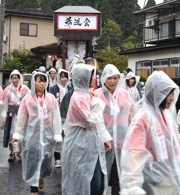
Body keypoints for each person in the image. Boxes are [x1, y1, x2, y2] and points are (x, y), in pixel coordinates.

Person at [120, 71, 180, 195]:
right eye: (168, 93)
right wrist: (132, 187)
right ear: (156, 93)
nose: (172, 98)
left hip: (167, 175)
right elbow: (133, 155)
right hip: (153, 180)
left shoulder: (165, 115)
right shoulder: (142, 119)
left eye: (173, 93)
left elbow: (172, 140)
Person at [61, 64, 112, 195]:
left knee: (97, 182)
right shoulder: (78, 97)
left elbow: (98, 122)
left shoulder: (88, 94)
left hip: (92, 145)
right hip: (80, 146)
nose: (95, 78)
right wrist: (97, 102)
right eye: (92, 75)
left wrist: (105, 137)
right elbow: (90, 121)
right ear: (84, 77)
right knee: (86, 182)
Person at [12, 72, 62, 195]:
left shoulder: (51, 99)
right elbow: (22, 118)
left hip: (47, 136)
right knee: (33, 160)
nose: (42, 84)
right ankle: (34, 187)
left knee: (46, 159)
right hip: (32, 136)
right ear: (34, 82)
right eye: (39, 81)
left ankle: (40, 177)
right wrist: (18, 135)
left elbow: (56, 117)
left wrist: (57, 133)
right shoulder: (27, 99)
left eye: (44, 81)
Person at [94, 64, 137, 195]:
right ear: (103, 79)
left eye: (115, 78)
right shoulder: (97, 95)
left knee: (119, 177)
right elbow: (94, 120)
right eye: (109, 78)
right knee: (101, 179)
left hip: (121, 143)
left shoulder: (124, 94)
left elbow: (133, 115)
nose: (112, 81)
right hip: (103, 143)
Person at [2, 69, 30, 162]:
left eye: (16, 78)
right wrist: (3, 115)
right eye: (13, 78)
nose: (14, 80)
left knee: (21, 132)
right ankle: (12, 152)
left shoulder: (25, 89)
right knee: (11, 133)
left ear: (19, 79)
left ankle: (20, 151)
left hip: (22, 114)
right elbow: (5, 103)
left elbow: (29, 101)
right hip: (11, 114)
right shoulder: (7, 90)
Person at [49, 69, 72, 168]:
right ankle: (57, 158)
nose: (63, 79)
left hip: (68, 115)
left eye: (65, 77)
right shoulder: (53, 88)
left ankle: (66, 157)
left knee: (68, 137)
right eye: (62, 77)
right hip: (57, 114)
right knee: (58, 136)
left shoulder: (71, 89)